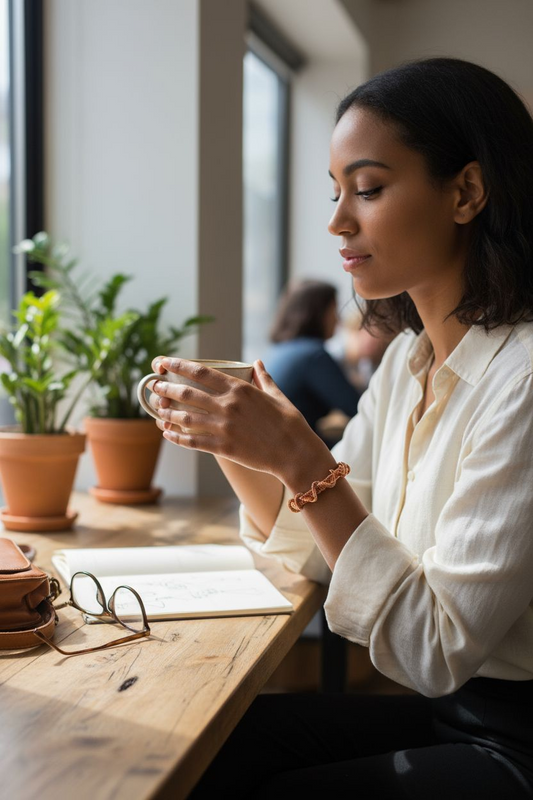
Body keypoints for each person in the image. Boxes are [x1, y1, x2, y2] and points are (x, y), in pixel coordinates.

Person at [149, 57, 533, 798]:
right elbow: (317, 552)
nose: (336, 220)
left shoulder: (521, 377)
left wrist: (297, 460)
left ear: (466, 191)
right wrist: (229, 439)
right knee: (203, 750)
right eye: (334, 192)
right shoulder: (406, 365)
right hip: (445, 713)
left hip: (513, 740)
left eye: (368, 188)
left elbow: (434, 646)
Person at [264, 279, 361, 446]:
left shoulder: (280, 350)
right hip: (294, 453)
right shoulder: (314, 355)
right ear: (318, 313)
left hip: (275, 449)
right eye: (334, 310)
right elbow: (357, 408)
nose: (338, 321)